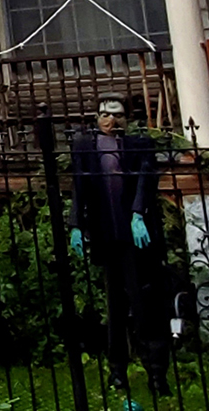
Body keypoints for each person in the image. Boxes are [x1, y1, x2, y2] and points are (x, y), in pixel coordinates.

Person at [70, 96, 171, 393]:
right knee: (114, 306)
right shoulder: (85, 146)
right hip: (107, 236)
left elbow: (145, 178)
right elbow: (80, 186)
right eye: (104, 114)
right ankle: (117, 372)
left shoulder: (139, 144)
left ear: (127, 117)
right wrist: (77, 225)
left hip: (136, 240)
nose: (110, 120)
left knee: (146, 306)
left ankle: (156, 373)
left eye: (116, 115)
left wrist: (139, 213)